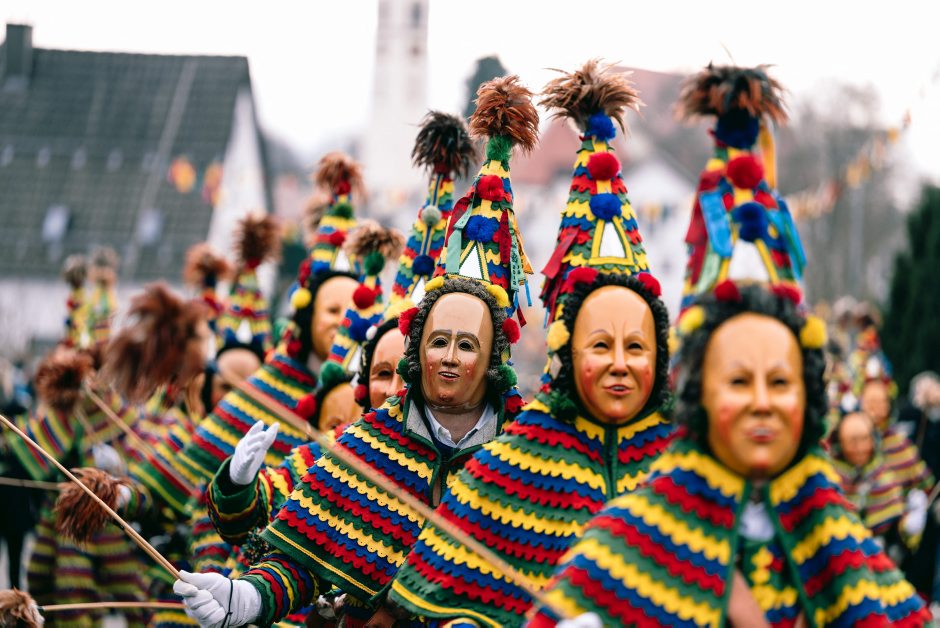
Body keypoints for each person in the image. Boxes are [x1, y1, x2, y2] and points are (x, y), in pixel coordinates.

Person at [173, 74, 537, 628]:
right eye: (438, 341)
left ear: (493, 359)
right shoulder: (364, 446)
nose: (448, 357)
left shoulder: (527, 450)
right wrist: (246, 597)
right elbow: (297, 557)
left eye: (467, 345)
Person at [386, 59, 675, 627]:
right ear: (568, 351)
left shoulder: (694, 466)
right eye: (601, 346)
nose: (619, 365)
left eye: (636, 347)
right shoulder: (506, 465)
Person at [528, 282, 929, 627]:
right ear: (700, 397)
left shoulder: (842, 537)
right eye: (739, 381)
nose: (762, 403)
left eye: (779, 382)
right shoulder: (621, 542)